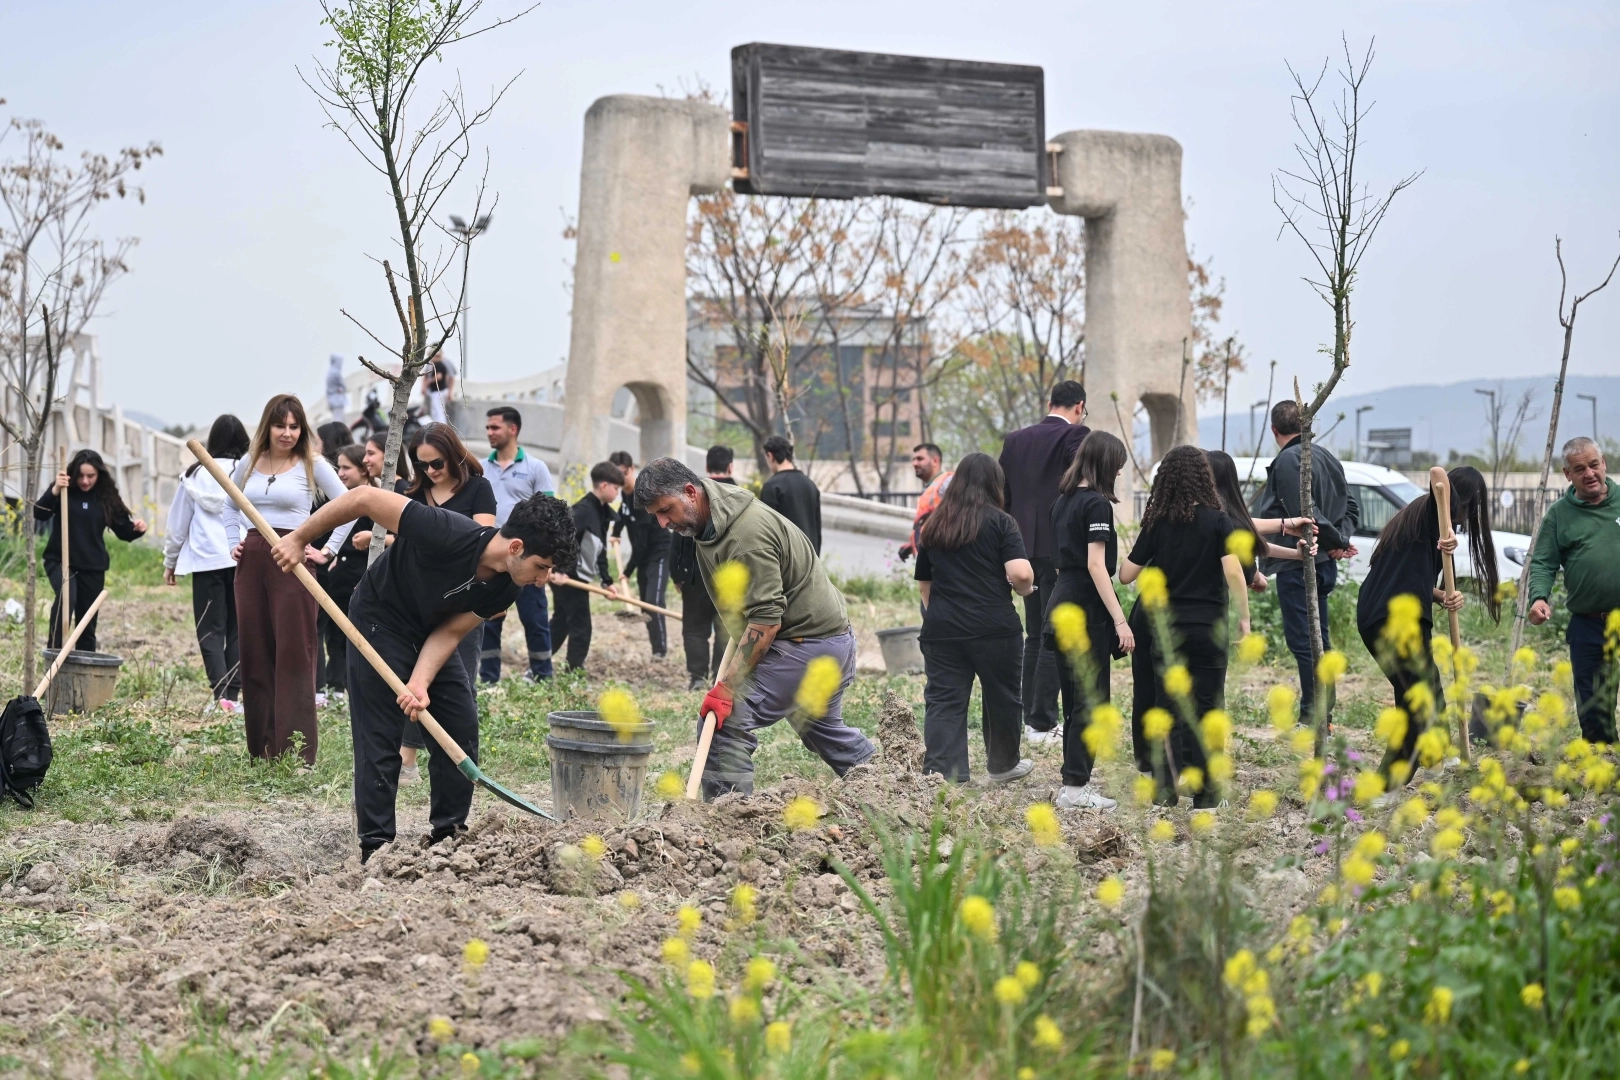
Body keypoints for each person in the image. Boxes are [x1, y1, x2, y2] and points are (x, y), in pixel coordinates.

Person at [266, 482, 575, 861]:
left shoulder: (507, 587)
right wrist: (299, 538)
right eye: (541, 567)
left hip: (429, 632)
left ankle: (449, 836)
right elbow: (364, 497)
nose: (543, 579)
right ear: (516, 548)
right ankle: (376, 848)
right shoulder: (445, 531)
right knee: (380, 737)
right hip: (379, 621)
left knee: (459, 725)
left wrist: (420, 681)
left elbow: (451, 632)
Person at [636, 456, 875, 799]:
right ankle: (888, 785)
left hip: (809, 643)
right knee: (822, 730)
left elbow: (765, 621)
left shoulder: (744, 535)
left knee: (723, 720)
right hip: (822, 639)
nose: (662, 523)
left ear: (690, 492)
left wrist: (727, 688)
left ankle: (729, 815)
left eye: (665, 510)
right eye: (656, 516)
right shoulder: (709, 520)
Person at [226, 394, 355, 766]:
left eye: (294, 426)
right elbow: (229, 504)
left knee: (295, 653)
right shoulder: (249, 461)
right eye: (280, 425)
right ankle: (262, 750)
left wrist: (327, 550)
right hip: (252, 560)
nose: (287, 433)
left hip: (293, 560)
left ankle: (296, 754)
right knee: (255, 651)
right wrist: (233, 541)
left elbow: (348, 505)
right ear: (267, 426)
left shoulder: (312, 463)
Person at [1120, 445, 1250, 808]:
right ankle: (1206, 797)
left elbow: (1126, 574)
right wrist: (1244, 618)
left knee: (1167, 708)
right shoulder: (1219, 521)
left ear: (1166, 480)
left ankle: (1164, 793)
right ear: (1204, 478)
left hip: (1167, 631)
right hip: (1209, 628)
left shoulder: (1157, 523)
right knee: (1208, 708)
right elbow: (1233, 572)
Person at [1359, 467, 1498, 782]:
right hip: (1394, 618)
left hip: (1383, 613)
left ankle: (1434, 759)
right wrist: (1447, 525)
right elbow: (1437, 473)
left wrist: (1442, 596)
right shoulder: (1431, 511)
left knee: (1423, 691)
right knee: (1418, 700)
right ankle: (1388, 785)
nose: (1467, 517)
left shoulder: (1422, 520)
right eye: (1469, 507)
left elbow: (1411, 578)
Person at [914, 453, 1036, 785]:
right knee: (1002, 696)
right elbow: (1021, 573)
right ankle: (1003, 765)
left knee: (944, 700)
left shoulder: (934, 524)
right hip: (995, 629)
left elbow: (925, 584)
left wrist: (941, 614)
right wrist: (1024, 589)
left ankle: (943, 774)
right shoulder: (1002, 522)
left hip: (942, 629)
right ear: (996, 484)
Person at [392, 424, 498, 780]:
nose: (430, 471)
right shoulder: (412, 494)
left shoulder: (478, 489)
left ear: (453, 456)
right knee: (415, 681)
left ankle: (459, 759)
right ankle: (407, 760)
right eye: (422, 465)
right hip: (417, 600)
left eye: (436, 463)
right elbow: (402, 544)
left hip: (461, 600)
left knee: (460, 682)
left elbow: (483, 541)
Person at [1252, 400, 1359, 733]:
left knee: (1306, 643)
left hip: (1300, 564)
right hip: (1322, 561)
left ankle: (1315, 719)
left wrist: (1333, 541)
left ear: (1274, 430)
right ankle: (1324, 716)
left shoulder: (1288, 460)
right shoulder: (1325, 456)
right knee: (1319, 640)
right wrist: (1338, 541)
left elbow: (1305, 513)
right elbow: (1351, 508)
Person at [998, 380, 1091, 747]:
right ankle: (1042, 720)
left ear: (1050, 402)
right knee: (1055, 633)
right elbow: (1081, 486)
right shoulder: (1076, 436)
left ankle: (1030, 719)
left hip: (1020, 546)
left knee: (1035, 633)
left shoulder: (1015, 440)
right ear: (1079, 406)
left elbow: (1003, 494)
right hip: (1059, 547)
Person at [1045, 432, 1131, 810]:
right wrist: (1120, 620)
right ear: (1106, 464)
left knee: (1073, 701)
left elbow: (1062, 564)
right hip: (1085, 610)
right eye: (1117, 467)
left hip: (1060, 605)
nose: (1119, 474)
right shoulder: (1097, 504)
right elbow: (1097, 566)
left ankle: (1072, 785)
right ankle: (1076, 788)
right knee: (1091, 702)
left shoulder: (1060, 503)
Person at [1528, 437, 1620, 743]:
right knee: (1594, 709)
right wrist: (1539, 597)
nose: (1589, 473)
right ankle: (1603, 764)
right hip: (1589, 624)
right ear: (1567, 474)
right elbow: (1543, 562)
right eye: (1580, 469)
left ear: (1604, 463)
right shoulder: (1559, 514)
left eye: (1594, 465)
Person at [163, 414, 251, 708]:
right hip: (242, 558)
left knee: (210, 629)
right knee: (239, 628)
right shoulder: (247, 472)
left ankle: (220, 695)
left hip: (205, 562)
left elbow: (178, 524)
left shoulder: (194, 475)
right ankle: (234, 695)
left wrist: (170, 561)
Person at [35, 449, 148, 654]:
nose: (85, 481)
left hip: (92, 565)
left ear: (99, 475)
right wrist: (55, 490)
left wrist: (138, 529)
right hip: (60, 560)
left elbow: (124, 531)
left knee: (87, 623)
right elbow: (39, 513)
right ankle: (54, 658)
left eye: (90, 476)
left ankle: (85, 666)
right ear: (74, 473)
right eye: (81, 476)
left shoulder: (105, 496)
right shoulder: (64, 488)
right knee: (66, 598)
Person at [478, 406, 556, 682]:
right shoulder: (480, 469)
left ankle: (542, 675)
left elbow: (550, 516)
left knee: (535, 620)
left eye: (495, 427)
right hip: (492, 559)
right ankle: (488, 678)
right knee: (488, 620)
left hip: (526, 560)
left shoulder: (535, 468)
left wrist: (548, 563)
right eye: (488, 427)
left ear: (513, 429)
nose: (489, 432)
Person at [308, 444, 375, 705]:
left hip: (359, 576)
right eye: (339, 468)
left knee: (351, 633)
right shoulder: (335, 499)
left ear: (363, 470)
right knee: (332, 634)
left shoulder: (374, 498)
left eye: (347, 468)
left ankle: (346, 684)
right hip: (337, 576)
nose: (341, 473)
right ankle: (333, 685)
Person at [672, 446, 737, 690]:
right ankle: (719, 678)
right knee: (727, 628)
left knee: (694, 628)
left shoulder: (693, 495)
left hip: (695, 574)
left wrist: (677, 573)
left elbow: (677, 534)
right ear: (731, 466)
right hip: (731, 576)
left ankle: (697, 678)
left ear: (707, 467)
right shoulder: (741, 496)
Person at [1207, 450, 1321, 589]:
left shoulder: (1207, 516)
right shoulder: (1213, 520)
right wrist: (1256, 577)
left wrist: (1286, 529)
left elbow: (1239, 528)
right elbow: (1237, 531)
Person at [551, 462, 624, 671]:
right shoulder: (583, 510)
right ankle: (572, 670)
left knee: (563, 622)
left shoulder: (601, 513)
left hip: (576, 577)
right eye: (615, 488)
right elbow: (562, 538)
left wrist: (607, 581)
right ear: (604, 486)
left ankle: (539, 664)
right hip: (567, 577)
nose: (617, 493)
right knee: (581, 626)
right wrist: (559, 570)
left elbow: (600, 549)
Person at [609, 451, 673, 659]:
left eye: (624, 473)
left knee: (653, 601)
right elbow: (624, 513)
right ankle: (656, 650)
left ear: (632, 469)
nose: (620, 479)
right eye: (616, 475)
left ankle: (661, 651)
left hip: (659, 551)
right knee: (645, 603)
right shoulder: (626, 496)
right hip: (643, 555)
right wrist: (616, 530)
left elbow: (642, 543)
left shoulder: (643, 494)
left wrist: (627, 571)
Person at [759, 436, 822, 554]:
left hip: (785, 560)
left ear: (770, 456)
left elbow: (766, 531)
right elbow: (817, 530)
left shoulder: (772, 487)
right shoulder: (810, 485)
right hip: (810, 559)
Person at [899, 442, 952, 562]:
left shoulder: (947, 483)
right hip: (930, 556)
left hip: (943, 556)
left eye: (920, 459)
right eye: (913, 459)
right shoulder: (930, 487)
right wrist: (912, 545)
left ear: (935, 461)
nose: (914, 463)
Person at [419, 351, 455, 424]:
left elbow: (439, 376)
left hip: (438, 391)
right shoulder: (437, 364)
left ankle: (441, 426)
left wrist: (429, 382)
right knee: (436, 411)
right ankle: (438, 425)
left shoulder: (439, 364)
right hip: (438, 391)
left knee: (438, 411)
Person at [324, 354, 348, 423]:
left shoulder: (329, 372)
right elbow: (343, 385)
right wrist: (341, 389)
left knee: (336, 418)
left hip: (332, 400)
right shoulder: (336, 372)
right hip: (337, 400)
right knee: (339, 420)